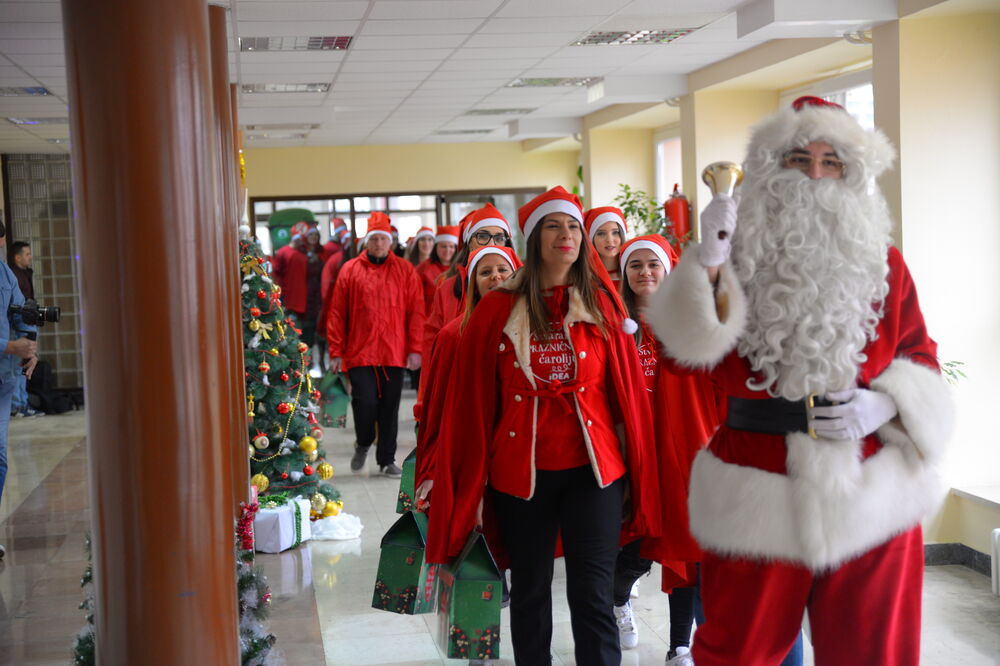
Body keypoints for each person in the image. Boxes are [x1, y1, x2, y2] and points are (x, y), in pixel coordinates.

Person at [647, 96, 953, 665]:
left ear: (850, 173)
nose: (814, 175)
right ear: (769, 168)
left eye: (831, 162)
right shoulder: (733, 258)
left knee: (874, 654)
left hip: (870, 489)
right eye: (798, 159)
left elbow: (921, 357)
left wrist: (886, 405)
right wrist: (705, 264)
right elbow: (679, 356)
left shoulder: (886, 264)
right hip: (756, 486)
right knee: (737, 653)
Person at [426, 186, 661, 666]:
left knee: (593, 595)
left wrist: (639, 470)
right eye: (554, 225)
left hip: (596, 473)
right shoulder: (495, 309)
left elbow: (626, 398)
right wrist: (463, 485)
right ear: (533, 238)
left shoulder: (601, 304)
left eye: (574, 225)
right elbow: (472, 404)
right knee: (530, 593)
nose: (567, 234)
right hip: (521, 474)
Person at [414, 245, 521, 507]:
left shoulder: (532, 331)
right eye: (486, 272)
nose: (495, 276)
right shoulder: (452, 336)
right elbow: (438, 407)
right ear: (473, 284)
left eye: (502, 269)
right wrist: (431, 468)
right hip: (471, 451)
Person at [327, 212, 425, 478]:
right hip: (360, 352)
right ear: (366, 242)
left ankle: (386, 459)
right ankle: (363, 442)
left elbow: (416, 312)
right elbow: (337, 313)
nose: (380, 243)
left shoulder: (405, 271)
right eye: (375, 239)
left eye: (384, 238)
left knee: (390, 408)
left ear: (390, 242)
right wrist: (336, 351)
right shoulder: (350, 270)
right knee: (365, 402)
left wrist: (415, 349)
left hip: (394, 352)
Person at [422, 204, 511, 355]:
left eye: (499, 238)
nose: (491, 243)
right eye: (482, 236)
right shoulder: (447, 288)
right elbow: (433, 343)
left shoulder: (523, 285)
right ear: (469, 243)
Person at [0, 222, 38, 558]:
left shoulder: (6, 275)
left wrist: (30, 348)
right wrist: (11, 346)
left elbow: (20, 315)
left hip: (3, 379)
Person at [7, 242, 38, 417]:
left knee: (25, 363)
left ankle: (22, 403)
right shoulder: (12, 276)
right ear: (17, 257)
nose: (30, 257)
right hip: (19, 324)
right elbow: (17, 305)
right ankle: (18, 405)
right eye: (27, 254)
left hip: (27, 322)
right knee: (18, 365)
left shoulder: (24, 274)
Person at [584, 207, 628, 286]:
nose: (609, 240)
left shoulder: (633, 273)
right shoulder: (583, 277)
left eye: (615, 232)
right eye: (601, 233)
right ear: (591, 239)